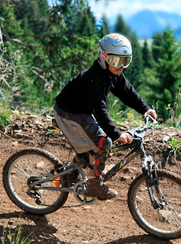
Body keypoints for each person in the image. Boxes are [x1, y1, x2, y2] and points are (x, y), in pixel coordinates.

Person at [54, 33, 157, 200]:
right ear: (103, 57)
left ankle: (71, 174)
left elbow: (127, 92)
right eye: (117, 61)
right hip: (69, 113)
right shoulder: (94, 79)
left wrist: (145, 109)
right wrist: (116, 134)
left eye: (125, 61)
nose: (121, 66)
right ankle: (94, 184)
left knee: (94, 143)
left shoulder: (112, 73)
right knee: (103, 143)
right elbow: (99, 109)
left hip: (82, 112)